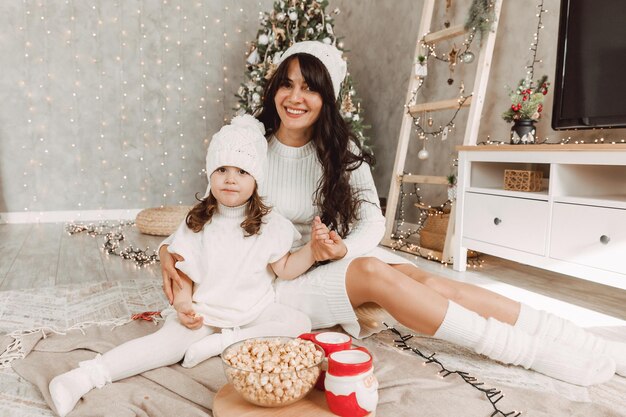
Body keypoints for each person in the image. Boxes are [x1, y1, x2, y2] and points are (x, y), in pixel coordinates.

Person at [161, 41, 624, 387]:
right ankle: (523, 352)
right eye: (287, 83)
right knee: (375, 273)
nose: (295, 97)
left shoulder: (341, 149)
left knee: (426, 280)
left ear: (327, 97)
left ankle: (575, 337)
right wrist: (168, 250)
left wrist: (338, 251)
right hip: (272, 281)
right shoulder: (250, 145)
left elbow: (372, 222)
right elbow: (209, 207)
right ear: (274, 89)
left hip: (318, 261)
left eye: (309, 87)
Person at [48, 115, 314, 417]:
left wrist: (314, 251)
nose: (230, 178)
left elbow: (286, 268)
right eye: (222, 169)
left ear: (256, 180)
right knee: (163, 346)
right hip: (206, 312)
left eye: (242, 171)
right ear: (209, 175)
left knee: (298, 323)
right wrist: (184, 304)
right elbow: (183, 273)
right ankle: (82, 378)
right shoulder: (197, 222)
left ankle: (225, 343)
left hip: (253, 313)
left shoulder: (270, 225)